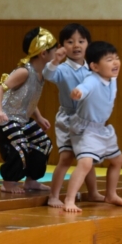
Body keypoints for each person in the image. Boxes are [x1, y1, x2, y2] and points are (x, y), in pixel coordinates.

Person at [62, 41, 122, 212]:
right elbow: (83, 88)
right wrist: (78, 92)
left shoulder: (112, 79)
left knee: (117, 160)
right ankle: (69, 200)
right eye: (109, 60)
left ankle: (111, 194)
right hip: (85, 129)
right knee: (85, 163)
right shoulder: (92, 80)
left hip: (101, 128)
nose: (115, 63)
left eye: (117, 58)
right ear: (94, 66)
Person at [0, 27, 56, 193]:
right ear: (43, 53)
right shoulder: (24, 71)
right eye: (54, 49)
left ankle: (31, 180)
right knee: (20, 145)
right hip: (6, 118)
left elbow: (28, 98)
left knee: (43, 143)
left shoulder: (41, 73)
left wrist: (38, 117)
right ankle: (9, 182)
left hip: (22, 119)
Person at [43, 23, 104, 207]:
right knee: (66, 158)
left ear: (88, 44)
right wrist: (54, 61)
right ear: (62, 46)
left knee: (88, 158)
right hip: (68, 119)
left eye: (81, 41)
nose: (76, 45)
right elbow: (47, 75)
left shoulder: (93, 69)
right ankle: (54, 196)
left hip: (88, 119)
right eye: (70, 42)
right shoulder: (61, 69)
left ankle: (92, 192)